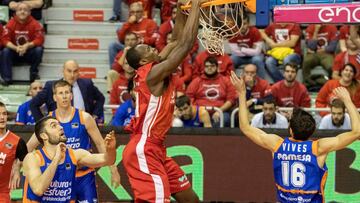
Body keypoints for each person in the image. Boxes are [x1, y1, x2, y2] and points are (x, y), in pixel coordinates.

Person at [230, 71, 360, 202]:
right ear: (312, 131)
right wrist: (348, 101)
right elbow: (357, 132)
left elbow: (245, 127)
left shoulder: (277, 144)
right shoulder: (318, 148)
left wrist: (241, 93)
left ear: (291, 130)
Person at [122, 0, 202, 201]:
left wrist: (183, 9)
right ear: (143, 61)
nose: (152, 48)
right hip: (144, 147)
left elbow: (174, 41)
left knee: (191, 199)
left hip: (157, 148)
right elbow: (186, 44)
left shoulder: (154, 64)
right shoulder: (152, 73)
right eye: (147, 49)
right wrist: (197, 5)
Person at [26, 80, 120, 202]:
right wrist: (17, 166)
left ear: (72, 95)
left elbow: (100, 145)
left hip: (83, 174)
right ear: (54, 97)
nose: (64, 96)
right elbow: (29, 145)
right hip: (60, 174)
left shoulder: (84, 117)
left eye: (67, 92)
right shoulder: (48, 122)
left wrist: (113, 170)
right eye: (61, 93)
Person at [22, 116, 116, 202]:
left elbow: (107, 160)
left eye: (59, 124)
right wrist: (56, 159)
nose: (61, 127)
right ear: (44, 136)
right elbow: (38, 189)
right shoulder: (33, 158)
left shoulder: (75, 154)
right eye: (54, 126)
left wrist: (111, 149)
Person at [30, 60, 105, 124]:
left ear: (79, 72)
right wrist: (43, 124)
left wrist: (94, 115)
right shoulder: (51, 86)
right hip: (59, 128)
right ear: (63, 71)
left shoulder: (87, 84)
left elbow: (101, 98)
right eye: (69, 71)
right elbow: (34, 104)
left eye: (75, 71)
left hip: (83, 126)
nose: (72, 75)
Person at [186, 56, 238, 127]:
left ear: (217, 68)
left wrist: (219, 111)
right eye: (207, 66)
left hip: (220, 111)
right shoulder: (197, 81)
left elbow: (231, 100)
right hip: (200, 112)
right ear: (204, 68)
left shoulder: (225, 80)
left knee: (225, 118)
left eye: (212, 66)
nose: (209, 68)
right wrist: (198, 111)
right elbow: (189, 98)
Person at [1, 2, 44, 84]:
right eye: (20, 10)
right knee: (5, 51)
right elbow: (4, 40)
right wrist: (15, 48)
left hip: (28, 53)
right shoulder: (11, 23)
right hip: (15, 52)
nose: (22, 12)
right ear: (16, 12)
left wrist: (27, 45)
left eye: (25, 10)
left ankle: (33, 74)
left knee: (39, 49)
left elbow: (40, 39)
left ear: (29, 12)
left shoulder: (35, 24)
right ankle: (6, 79)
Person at [108, 1, 158, 67]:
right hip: (130, 48)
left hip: (143, 48)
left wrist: (141, 41)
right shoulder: (127, 24)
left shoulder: (150, 23)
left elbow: (154, 39)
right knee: (112, 46)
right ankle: (113, 71)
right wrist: (128, 23)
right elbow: (121, 39)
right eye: (132, 12)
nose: (135, 14)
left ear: (142, 12)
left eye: (138, 12)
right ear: (129, 12)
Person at [0, 101, 28, 203]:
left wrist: (17, 166)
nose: (2, 117)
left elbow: (29, 163)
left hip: (4, 194)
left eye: (4, 114)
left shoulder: (17, 142)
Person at [228, 13, 266, 78]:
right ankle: (231, 83)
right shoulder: (233, 33)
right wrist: (251, 51)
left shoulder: (255, 31)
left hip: (254, 57)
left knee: (257, 60)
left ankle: (263, 84)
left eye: (244, 24)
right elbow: (235, 52)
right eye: (240, 24)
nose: (242, 26)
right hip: (240, 57)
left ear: (248, 24)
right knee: (231, 59)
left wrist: (242, 49)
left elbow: (257, 52)